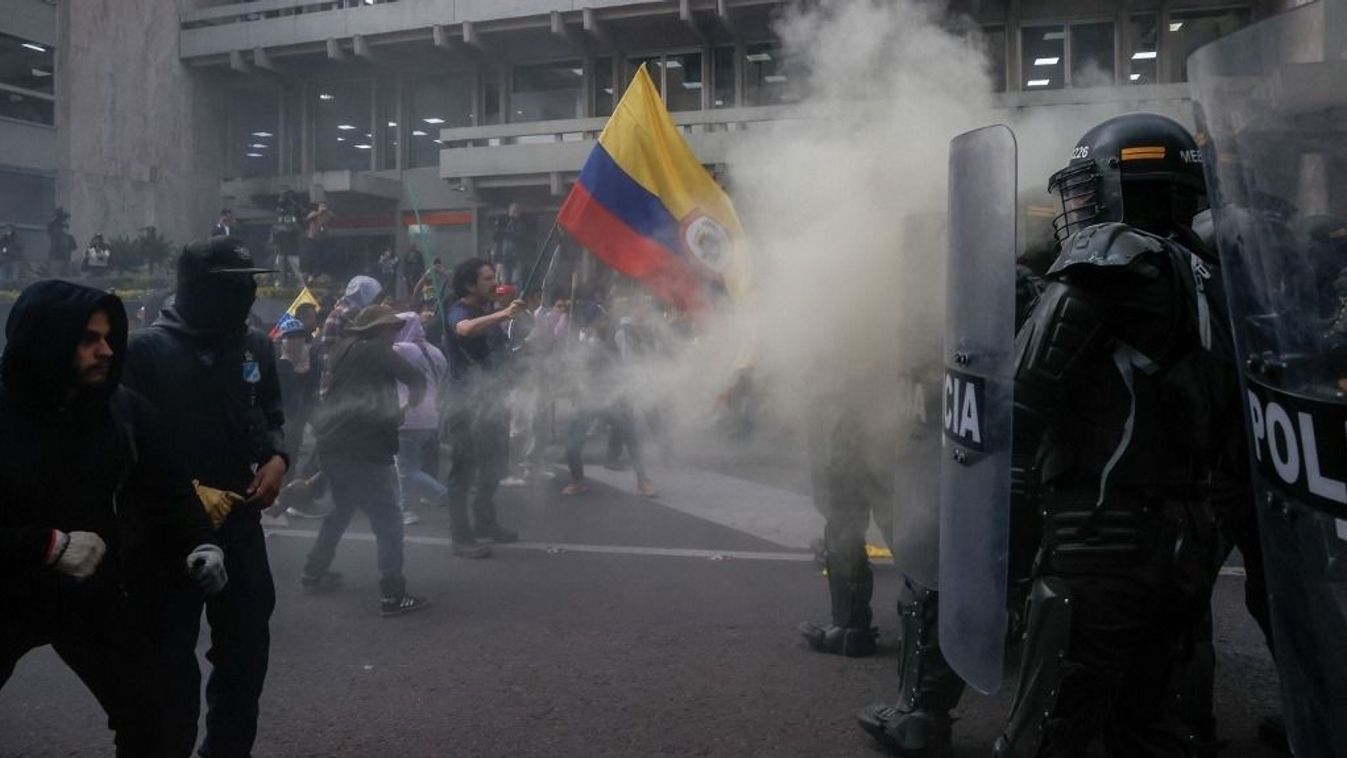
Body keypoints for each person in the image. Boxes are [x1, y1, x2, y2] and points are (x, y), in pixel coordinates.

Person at [993, 113, 1239, 757]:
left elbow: (1020, 397)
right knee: (1151, 727)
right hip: (1187, 538)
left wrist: (1009, 537)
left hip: (1098, 534)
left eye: (1086, 188)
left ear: (1131, 184)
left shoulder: (1111, 263)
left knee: (1050, 730)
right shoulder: (1214, 274)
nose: (1074, 207)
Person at [0, 280, 227, 756]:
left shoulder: (119, 410)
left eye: (108, 337)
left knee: (155, 715)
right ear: (45, 338)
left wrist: (200, 542)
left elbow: (168, 489)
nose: (106, 350)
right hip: (5, 590)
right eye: (88, 339)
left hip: (88, 595)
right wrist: (46, 545)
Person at [122, 236, 288, 758]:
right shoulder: (141, 353)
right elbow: (120, 447)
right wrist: (185, 493)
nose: (249, 293)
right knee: (167, 669)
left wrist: (279, 459)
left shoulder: (255, 346)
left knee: (245, 656)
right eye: (236, 285)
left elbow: (270, 417)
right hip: (164, 536)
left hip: (240, 526)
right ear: (198, 287)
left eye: (251, 282)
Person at [304, 305, 428, 615]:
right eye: (391, 328)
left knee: (340, 512)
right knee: (389, 521)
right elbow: (416, 378)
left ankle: (313, 573)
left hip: (334, 444)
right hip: (366, 449)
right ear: (379, 330)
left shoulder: (343, 349)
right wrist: (406, 408)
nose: (395, 334)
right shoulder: (376, 350)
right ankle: (392, 594)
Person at [442, 257, 526, 557]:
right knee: (463, 472)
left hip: (490, 404)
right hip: (464, 405)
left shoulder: (487, 312)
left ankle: (485, 522)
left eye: (494, 276)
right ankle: (460, 537)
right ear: (470, 284)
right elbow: (465, 330)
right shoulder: (459, 311)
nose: (495, 282)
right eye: (488, 278)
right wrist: (505, 313)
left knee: (494, 466)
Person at [393, 310, 448, 526]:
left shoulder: (401, 350)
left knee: (406, 469)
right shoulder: (435, 351)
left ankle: (439, 494)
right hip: (430, 415)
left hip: (409, 414)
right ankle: (407, 505)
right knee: (409, 465)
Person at [275, 314, 320, 476]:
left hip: (309, 415)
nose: (295, 341)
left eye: (298, 336)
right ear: (282, 340)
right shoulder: (279, 364)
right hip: (285, 418)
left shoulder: (313, 359)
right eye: (290, 337)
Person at [321, 274, 383, 388]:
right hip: (341, 379)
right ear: (365, 295)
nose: (377, 303)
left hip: (337, 376)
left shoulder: (343, 309)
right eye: (375, 298)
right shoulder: (349, 313)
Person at [272, 190, 305, 285]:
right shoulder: (279, 217)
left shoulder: (294, 215)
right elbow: (275, 230)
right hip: (281, 247)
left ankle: (301, 286)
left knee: (295, 268)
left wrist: (289, 226)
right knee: (279, 267)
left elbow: (298, 229)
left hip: (291, 247)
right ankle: (279, 284)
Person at [304, 201, 334, 276]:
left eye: (325, 206)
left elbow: (334, 218)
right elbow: (308, 218)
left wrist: (328, 212)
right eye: (322, 206)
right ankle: (311, 272)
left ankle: (321, 272)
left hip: (323, 238)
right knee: (313, 256)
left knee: (322, 256)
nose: (323, 208)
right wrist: (319, 213)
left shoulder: (327, 215)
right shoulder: (314, 213)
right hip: (313, 238)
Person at [46, 207, 76, 278]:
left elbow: (73, 247)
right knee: (56, 278)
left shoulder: (68, 237)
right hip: (56, 259)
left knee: (67, 279)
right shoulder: (54, 230)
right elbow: (50, 226)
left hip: (65, 260)